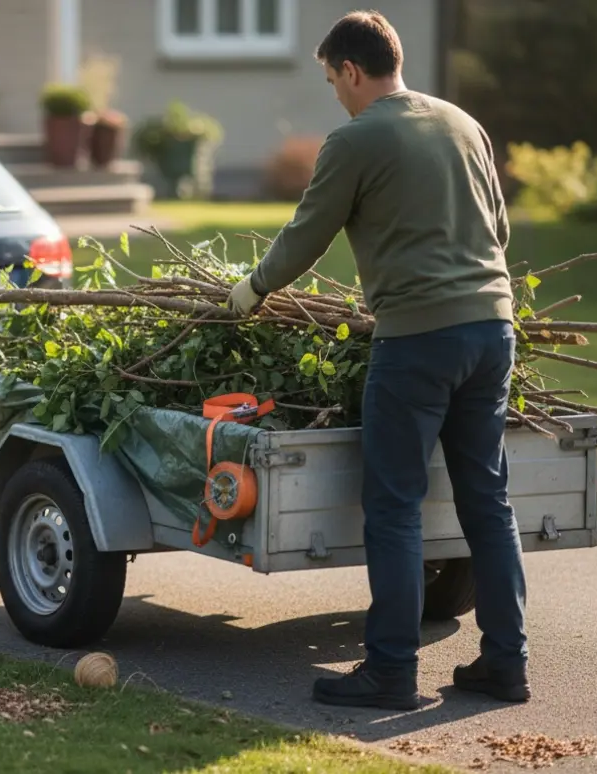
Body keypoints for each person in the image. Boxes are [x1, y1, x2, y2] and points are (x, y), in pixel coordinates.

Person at [227, 10, 530, 711]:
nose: (334, 91)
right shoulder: (463, 124)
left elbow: (306, 237)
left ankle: (391, 673)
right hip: (492, 331)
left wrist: (254, 288)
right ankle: (505, 665)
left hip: (419, 341)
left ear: (353, 71)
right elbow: (501, 229)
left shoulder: (356, 139)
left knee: (393, 506)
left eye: (334, 78)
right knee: (488, 501)